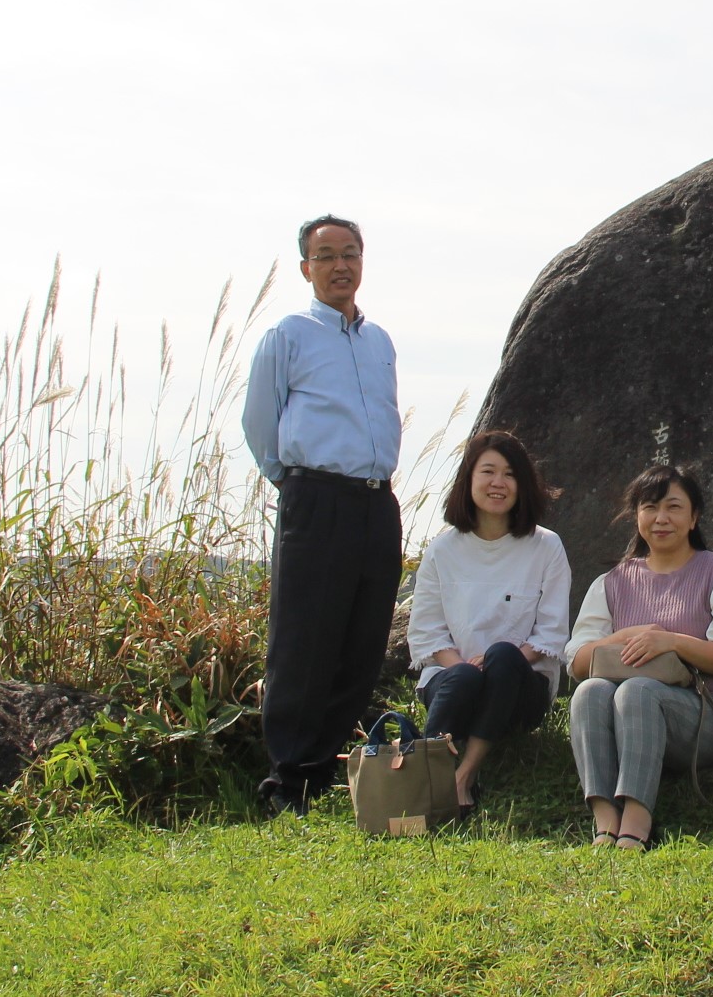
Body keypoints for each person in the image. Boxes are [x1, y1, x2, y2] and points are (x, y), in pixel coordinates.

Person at [242, 213, 402, 814]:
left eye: (351, 253)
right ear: (306, 267)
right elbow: (260, 420)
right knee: (304, 639)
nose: (341, 265)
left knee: (362, 639)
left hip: (376, 500)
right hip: (314, 498)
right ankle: (287, 780)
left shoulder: (379, 340)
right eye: (327, 255)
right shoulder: (288, 334)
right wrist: (290, 480)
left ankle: (325, 767)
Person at [564, 465, 713, 851]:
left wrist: (672, 642)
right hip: (625, 720)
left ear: (694, 518)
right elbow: (577, 661)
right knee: (589, 692)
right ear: (637, 517)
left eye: (674, 507)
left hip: (711, 718)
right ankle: (605, 821)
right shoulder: (611, 583)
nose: (661, 518)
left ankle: (638, 823)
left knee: (637, 690)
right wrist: (623, 638)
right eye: (650, 507)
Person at [408, 430, 570, 812]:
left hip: (521, 686)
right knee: (463, 676)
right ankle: (427, 776)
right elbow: (427, 632)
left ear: (524, 485)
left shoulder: (546, 546)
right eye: (488, 472)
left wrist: (498, 661)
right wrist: (465, 666)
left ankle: (464, 775)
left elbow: (551, 632)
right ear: (468, 480)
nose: (498, 483)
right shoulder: (442, 549)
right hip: (455, 679)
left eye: (510, 474)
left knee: (501, 655)